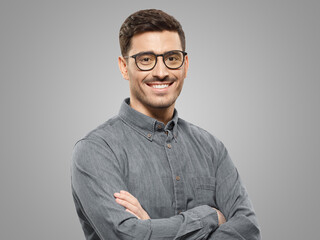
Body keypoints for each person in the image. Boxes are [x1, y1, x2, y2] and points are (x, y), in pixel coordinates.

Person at [71, 9, 261, 240]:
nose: (161, 72)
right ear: (123, 67)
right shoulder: (96, 150)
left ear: (185, 65)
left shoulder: (212, 149)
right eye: (146, 60)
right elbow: (127, 236)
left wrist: (150, 228)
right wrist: (209, 216)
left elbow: (248, 229)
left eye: (171, 58)